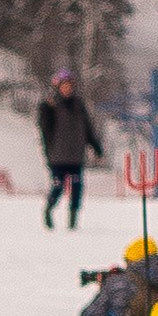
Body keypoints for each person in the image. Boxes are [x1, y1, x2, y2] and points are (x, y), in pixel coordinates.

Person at [38, 69, 102, 229]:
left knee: (76, 188)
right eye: (63, 86)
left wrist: (96, 147)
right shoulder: (50, 105)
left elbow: (87, 128)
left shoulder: (78, 105)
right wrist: (48, 152)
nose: (67, 89)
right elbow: (45, 129)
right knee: (58, 187)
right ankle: (49, 210)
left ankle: (73, 221)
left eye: (69, 86)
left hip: (75, 156)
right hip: (58, 156)